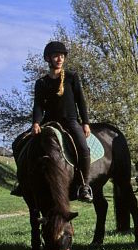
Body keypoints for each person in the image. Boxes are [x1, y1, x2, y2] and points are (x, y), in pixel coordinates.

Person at [30, 41, 94, 202]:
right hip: (49, 122)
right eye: (56, 56)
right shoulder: (41, 83)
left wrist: (85, 122)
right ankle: (24, 181)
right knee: (26, 145)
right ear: (48, 58)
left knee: (84, 150)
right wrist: (36, 123)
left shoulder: (72, 77)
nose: (59, 59)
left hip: (71, 121)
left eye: (62, 56)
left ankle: (84, 186)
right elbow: (38, 105)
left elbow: (81, 101)